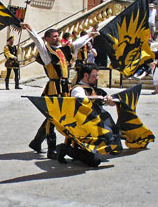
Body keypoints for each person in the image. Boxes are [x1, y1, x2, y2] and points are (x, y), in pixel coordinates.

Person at [22, 23, 97, 160]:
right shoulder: (46, 52)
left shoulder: (64, 50)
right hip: (53, 88)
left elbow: (77, 44)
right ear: (48, 39)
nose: (57, 38)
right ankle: (51, 150)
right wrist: (30, 29)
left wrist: (89, 36)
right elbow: (38, 42)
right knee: (53, 118)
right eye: (54, 36)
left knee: (53, 116)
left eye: (58, 36)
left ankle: (36, 142)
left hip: (64, 88)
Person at [56, 63, 115, 167]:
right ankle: (65, 149)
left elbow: (110, 102)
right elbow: (80, 100)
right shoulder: (78, 89)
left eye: (97, 76)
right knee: (94, 161)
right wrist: (98, 98)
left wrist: (110, 100)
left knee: (114, 138)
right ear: (86, 75)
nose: (97, 78)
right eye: (94, 76)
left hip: (94, 125)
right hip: (82, 128)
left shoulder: (95, 90)